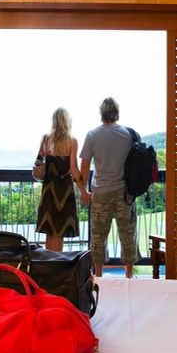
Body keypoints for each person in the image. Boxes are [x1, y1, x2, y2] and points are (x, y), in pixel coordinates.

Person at [79, 97, 138, 278]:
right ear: (116, 112)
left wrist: (83, 191)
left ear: (101, 113)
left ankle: (98, 275)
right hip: (124, 192)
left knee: (98, 236)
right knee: (127, 233)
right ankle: (128, 275)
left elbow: (85, 166)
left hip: (101, 192)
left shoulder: (92, 135)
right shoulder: (128, 135)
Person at [35, 107, 89, 252]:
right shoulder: (72, 141)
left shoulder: (46, 139)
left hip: (48, 189)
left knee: (49, 229)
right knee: (59, 232)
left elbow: (38, 163)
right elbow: (74, 170)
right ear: (67, 121)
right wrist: (84, 191)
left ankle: (49, 267)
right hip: (65, 191)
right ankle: (57, 267)